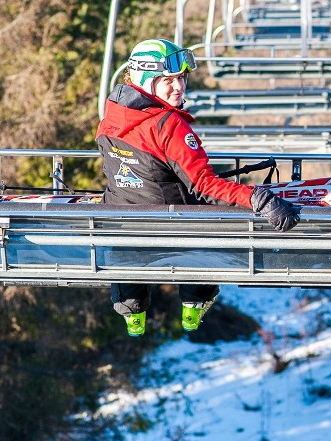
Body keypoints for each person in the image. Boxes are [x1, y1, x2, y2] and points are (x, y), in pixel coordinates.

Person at [97, 39, 300, 336]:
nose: (178, 87)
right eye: (168, 80)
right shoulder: (168, 126)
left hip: (124, 227)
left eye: (181, 78)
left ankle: (133, 313)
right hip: (174, 227)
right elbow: (204, 185)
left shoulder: (112, 116)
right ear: (145, 79)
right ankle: (194, 304)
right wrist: (257, 197)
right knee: (206, 223)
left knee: (126, 214)